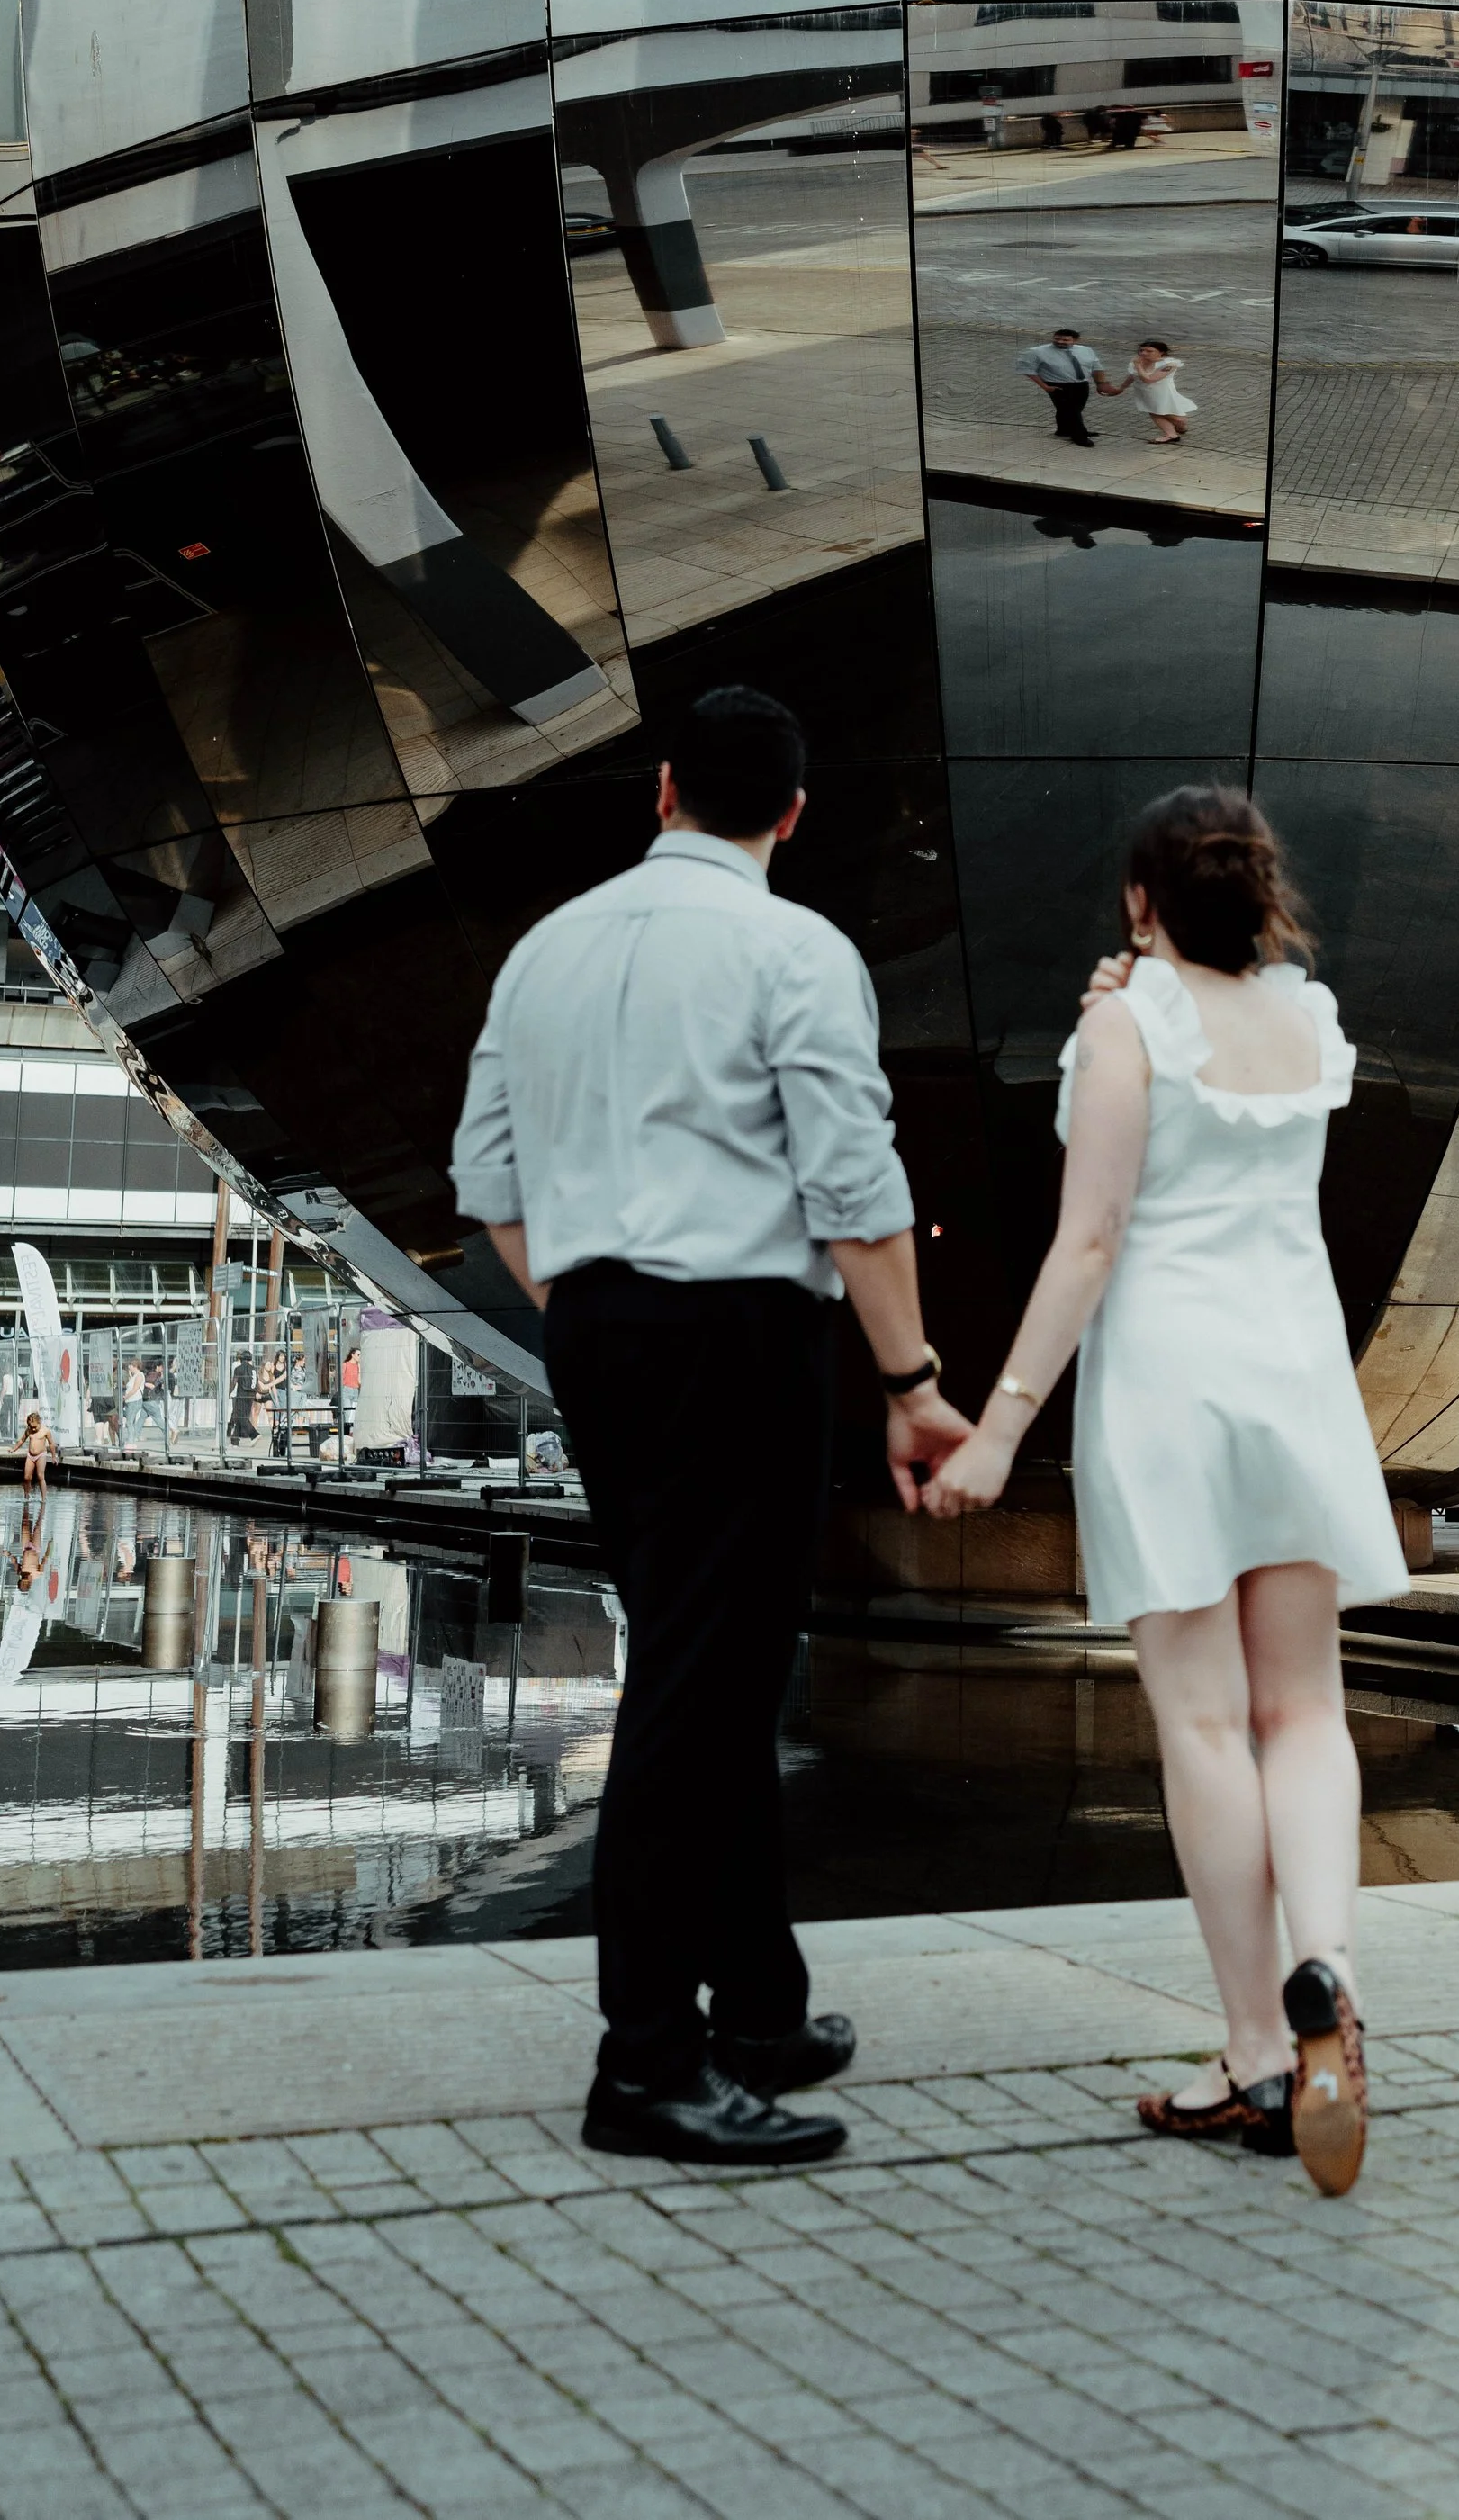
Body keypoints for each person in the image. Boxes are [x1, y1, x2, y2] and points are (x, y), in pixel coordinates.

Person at [453, 684, 972, 2169]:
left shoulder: (550, 948)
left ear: (662, 789)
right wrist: (912, 1381)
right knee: (702, 1679)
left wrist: (590, 1301)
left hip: (601, 1328)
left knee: (708, 1654)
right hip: (736, 1330)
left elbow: (485, 1176)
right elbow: (854, 1186)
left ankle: (756, 2003)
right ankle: (645, 2063)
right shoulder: (791, 946)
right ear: (792, 814)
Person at [923, 786, 1409, 2195]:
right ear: (1260, 895)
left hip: (1169, 1388)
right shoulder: (1310, 1019)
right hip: (1298, 1377)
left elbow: (1092, 1243)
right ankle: (1333, 1974)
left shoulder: (1123, 1022)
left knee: (1201, 1721)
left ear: (1141, 902)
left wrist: (1003, 1428)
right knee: (1303, 1708)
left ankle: (1261, 2046)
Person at [1017, 326, 1104, 448]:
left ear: (1075, 340)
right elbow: (1028, 370)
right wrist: (1045, 386)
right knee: (1072, 410)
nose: (1060, 342)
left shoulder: (1086, 350)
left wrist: (1101, 383)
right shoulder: (1037, 351)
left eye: (1065, 340)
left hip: (1081, 383)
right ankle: (1080, 435)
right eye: (1057, 339)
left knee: (1074, 409)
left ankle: (1064, 430)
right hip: (1057, 385)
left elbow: (1096, 366)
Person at [1103, 338, 1197, 446]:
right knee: (1155, 412)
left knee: (1178, 418)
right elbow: (1132, 376)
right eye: (1141, 350)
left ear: (1161, 352)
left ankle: (1180, 427)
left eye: (1149, 351)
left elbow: (1149, 379)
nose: (1143, 353)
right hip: (1145, 393)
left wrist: (1138, 366)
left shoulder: (1169, 364)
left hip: (1163, 393)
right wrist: (1121, 388)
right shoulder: (1138, 363)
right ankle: (1170, 434)